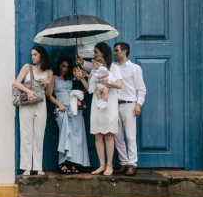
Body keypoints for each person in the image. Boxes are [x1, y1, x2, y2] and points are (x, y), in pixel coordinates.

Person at [74, 42, 122, 176]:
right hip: (97, 103)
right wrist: (82, 78)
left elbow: (119, 84)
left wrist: (104, 82)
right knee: (97, 135)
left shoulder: (113, 67)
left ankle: (110, 165)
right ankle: (101, 165)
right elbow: (90, 89)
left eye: (96, 52)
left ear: (103, 53)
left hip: (109, 103)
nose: (93, 55)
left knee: (108, 134)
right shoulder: (94, 71)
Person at [46, 56, 90, 173]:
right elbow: (49, 94)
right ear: (59, 66)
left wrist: (80, 88)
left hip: (75, 109)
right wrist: (59, 104)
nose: (65, 69)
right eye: (63, 66)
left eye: (67, 67)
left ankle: (73, 162)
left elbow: (84, 90)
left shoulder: (72, 79)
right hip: (62, 109)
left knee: (76, 137)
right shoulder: (54, 78)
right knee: (64, 135)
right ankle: (62, 163)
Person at [14, 45, 53, 175]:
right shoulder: (27, 67)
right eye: (32, 55)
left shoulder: (49, 72)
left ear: (42, 55)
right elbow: (17, 83)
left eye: (35, 54)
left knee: (39, 136)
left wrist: (48, 82)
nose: (33, 57)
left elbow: (48, 94)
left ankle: (38, 167)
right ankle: (26, 167)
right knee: (26, 136)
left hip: (41, 106)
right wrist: (29, 91)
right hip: (26, 105)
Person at [111, 42, 146, 176]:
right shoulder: (113, 67)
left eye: (116, 50)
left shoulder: (134, 68)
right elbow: (96, 67)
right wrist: (83, 63)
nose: (114, 53)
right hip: (114, 105)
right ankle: (124, 163)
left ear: (124, 51)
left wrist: (139, 104)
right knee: (117, 136)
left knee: (130, 136)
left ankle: (132, 164)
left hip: (129, 104)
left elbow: (141, 88)